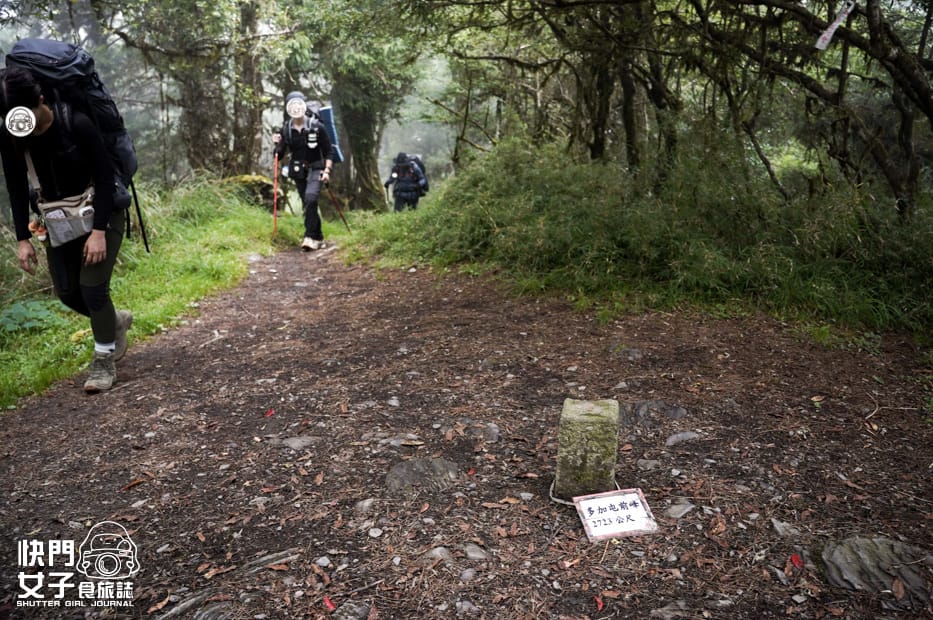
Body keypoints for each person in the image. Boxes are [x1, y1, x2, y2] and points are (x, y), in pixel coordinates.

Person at [0, 66, 132, 393]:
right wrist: (22, 238)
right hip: (58, 219)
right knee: (68, 292)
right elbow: (17, 188)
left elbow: (104, 177)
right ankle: (113, 322)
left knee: (92, 287)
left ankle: (104, 362)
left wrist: (99, 231)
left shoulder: (76, 123)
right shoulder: (12, 136)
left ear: (40, 99)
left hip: (101, 210)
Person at [272, 91, 336, 251]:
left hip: (316, 167)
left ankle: (309, 236)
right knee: (308, 203)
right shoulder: (286, 129)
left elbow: (329, 151)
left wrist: (327, 170)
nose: (295, 107)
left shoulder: (317, 126)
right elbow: (279, 156)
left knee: (311, 198)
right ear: (288, 107)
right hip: (297, 170)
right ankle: (318, 237)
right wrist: (277, 144)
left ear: (303, 105)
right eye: (292, 104)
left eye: (298, 104)